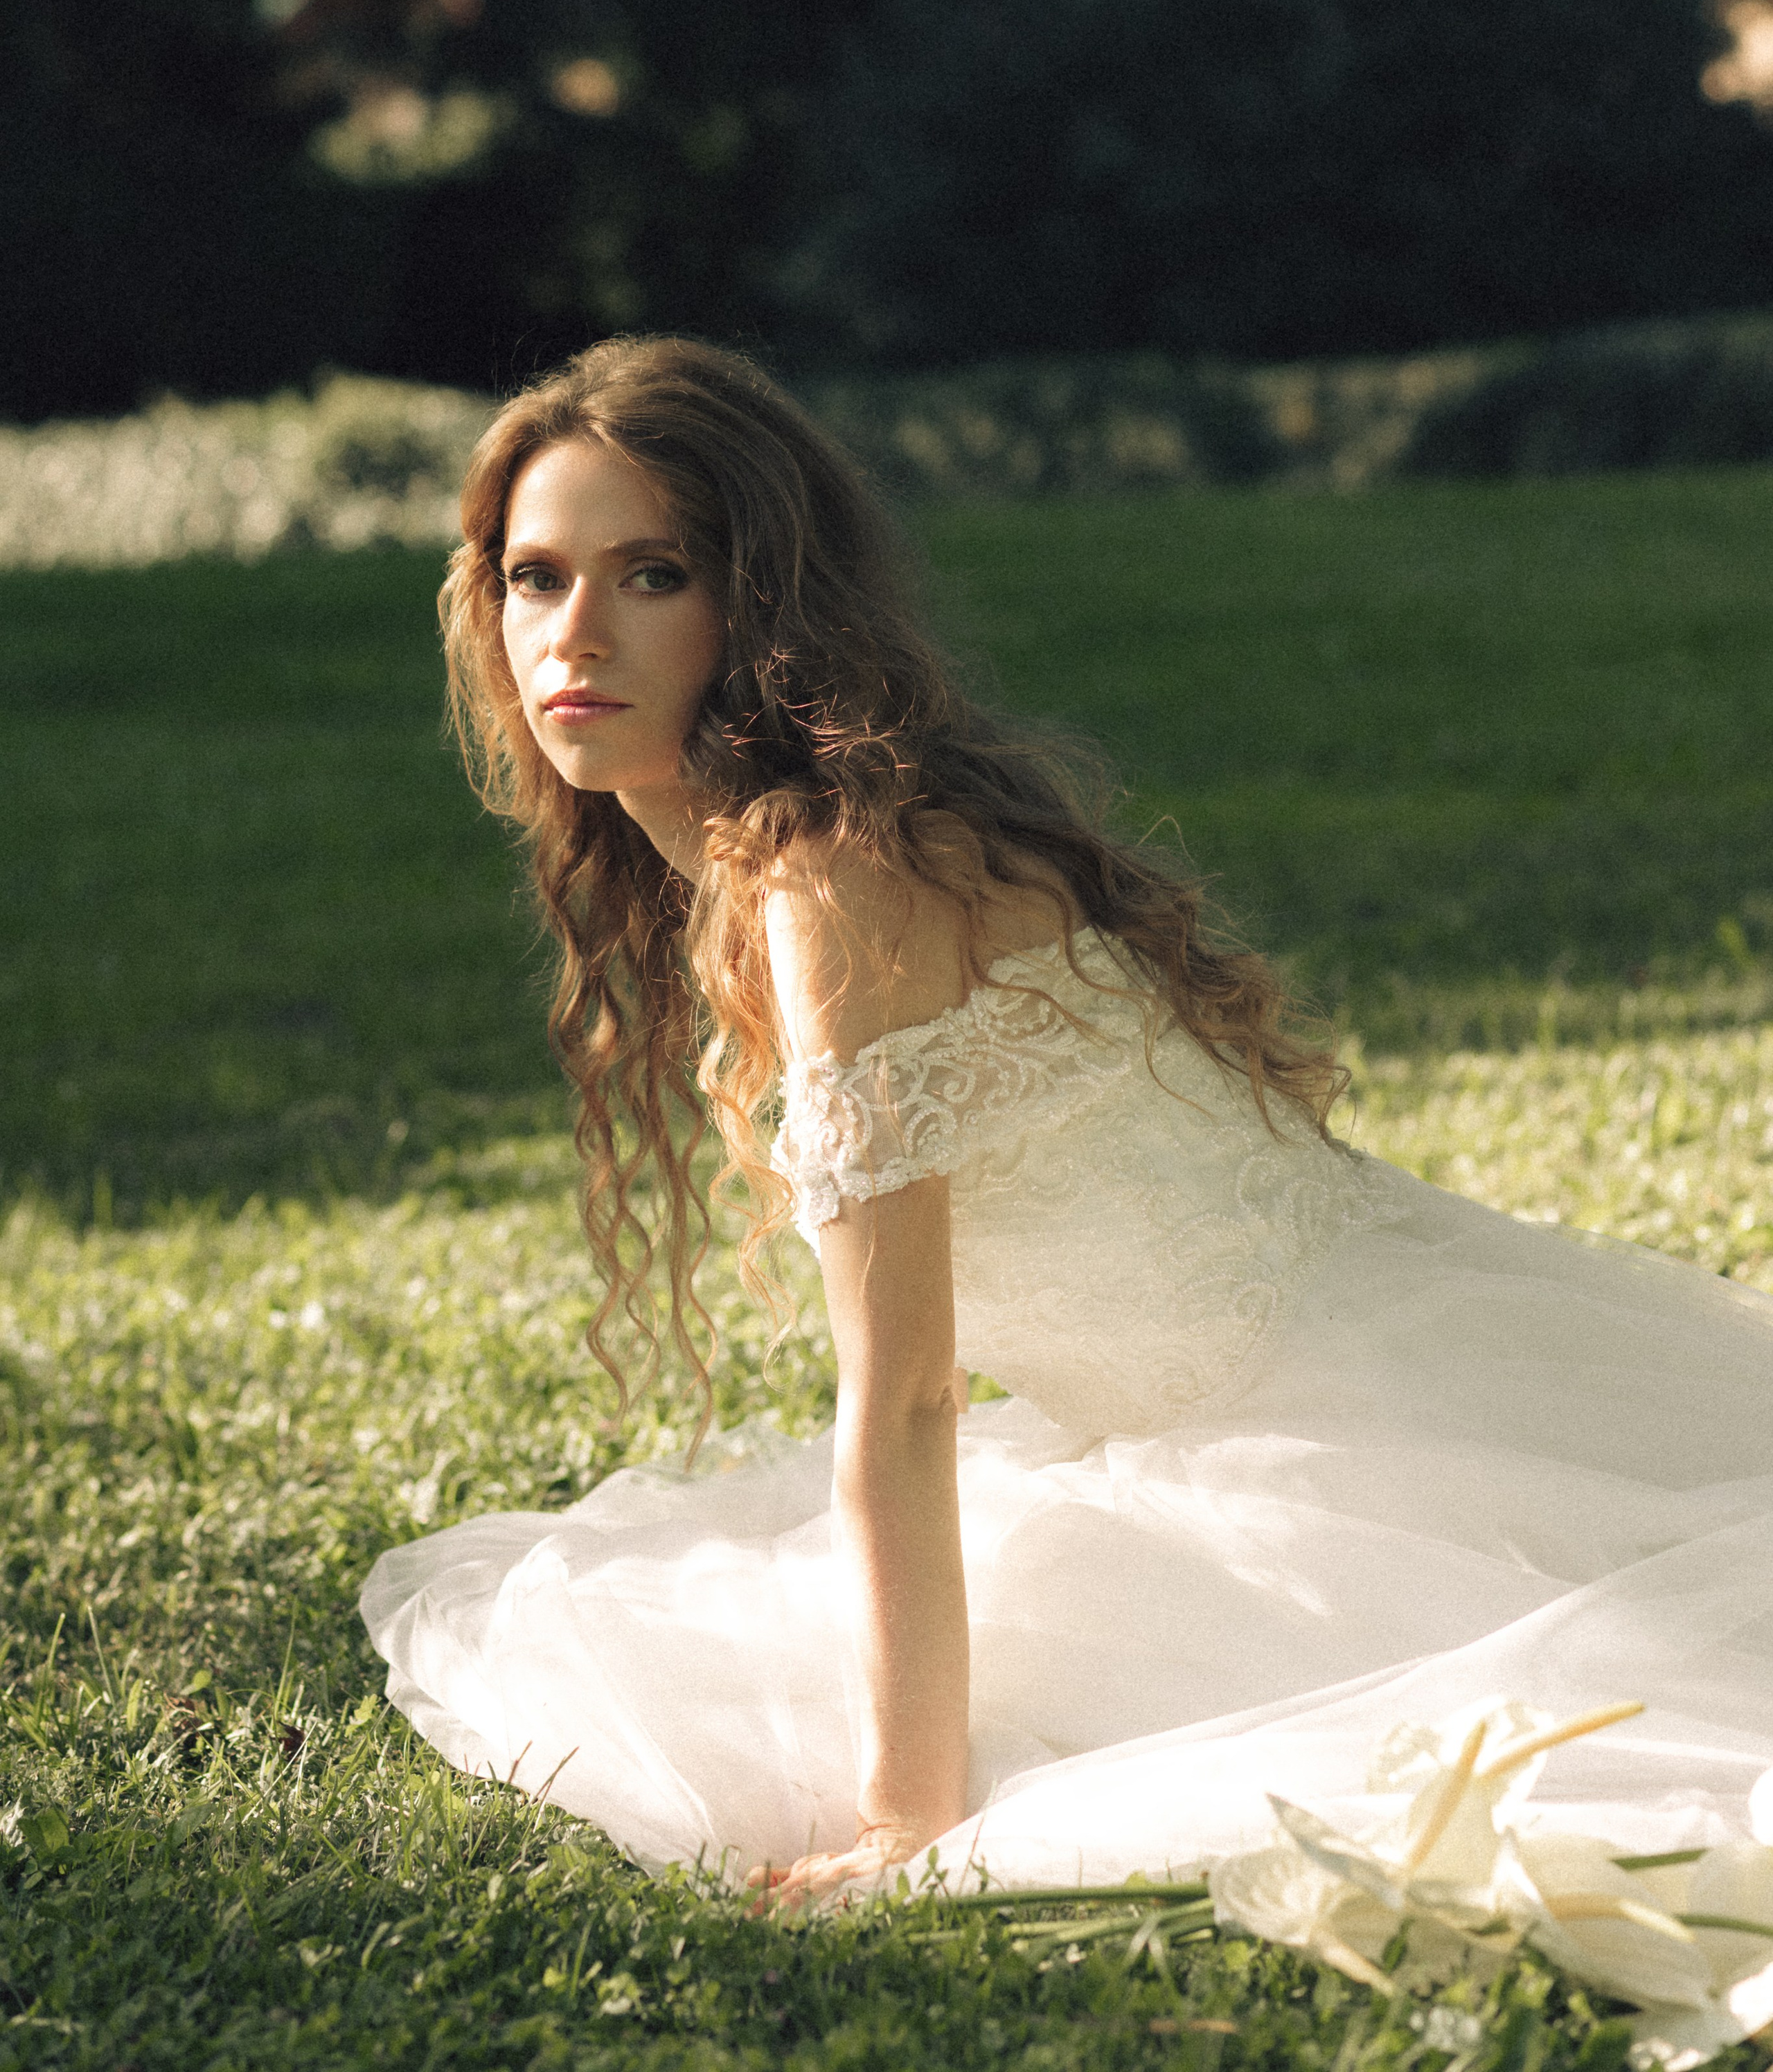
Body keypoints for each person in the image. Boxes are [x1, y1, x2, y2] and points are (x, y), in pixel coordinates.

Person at [361, 336, 1773, 1902]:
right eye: (534, 577)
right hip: (1335, 1343)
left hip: (1332, 1441)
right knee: (651, 1613)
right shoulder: (786, 850)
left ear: (757, 605)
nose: (575, 636)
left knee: (677, 1661)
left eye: (652, 575)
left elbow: (902, 1403)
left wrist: (906, 1822)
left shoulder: (834, 881)